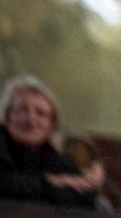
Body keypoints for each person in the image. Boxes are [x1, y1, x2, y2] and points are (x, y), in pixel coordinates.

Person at [0, 75, 98, 209]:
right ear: (7, 116)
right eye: (22, 109)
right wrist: (52, 182)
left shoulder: (51, 156)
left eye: (40, 113)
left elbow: (86, 195)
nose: (31, 119)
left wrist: (39, 186)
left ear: (52, 125)